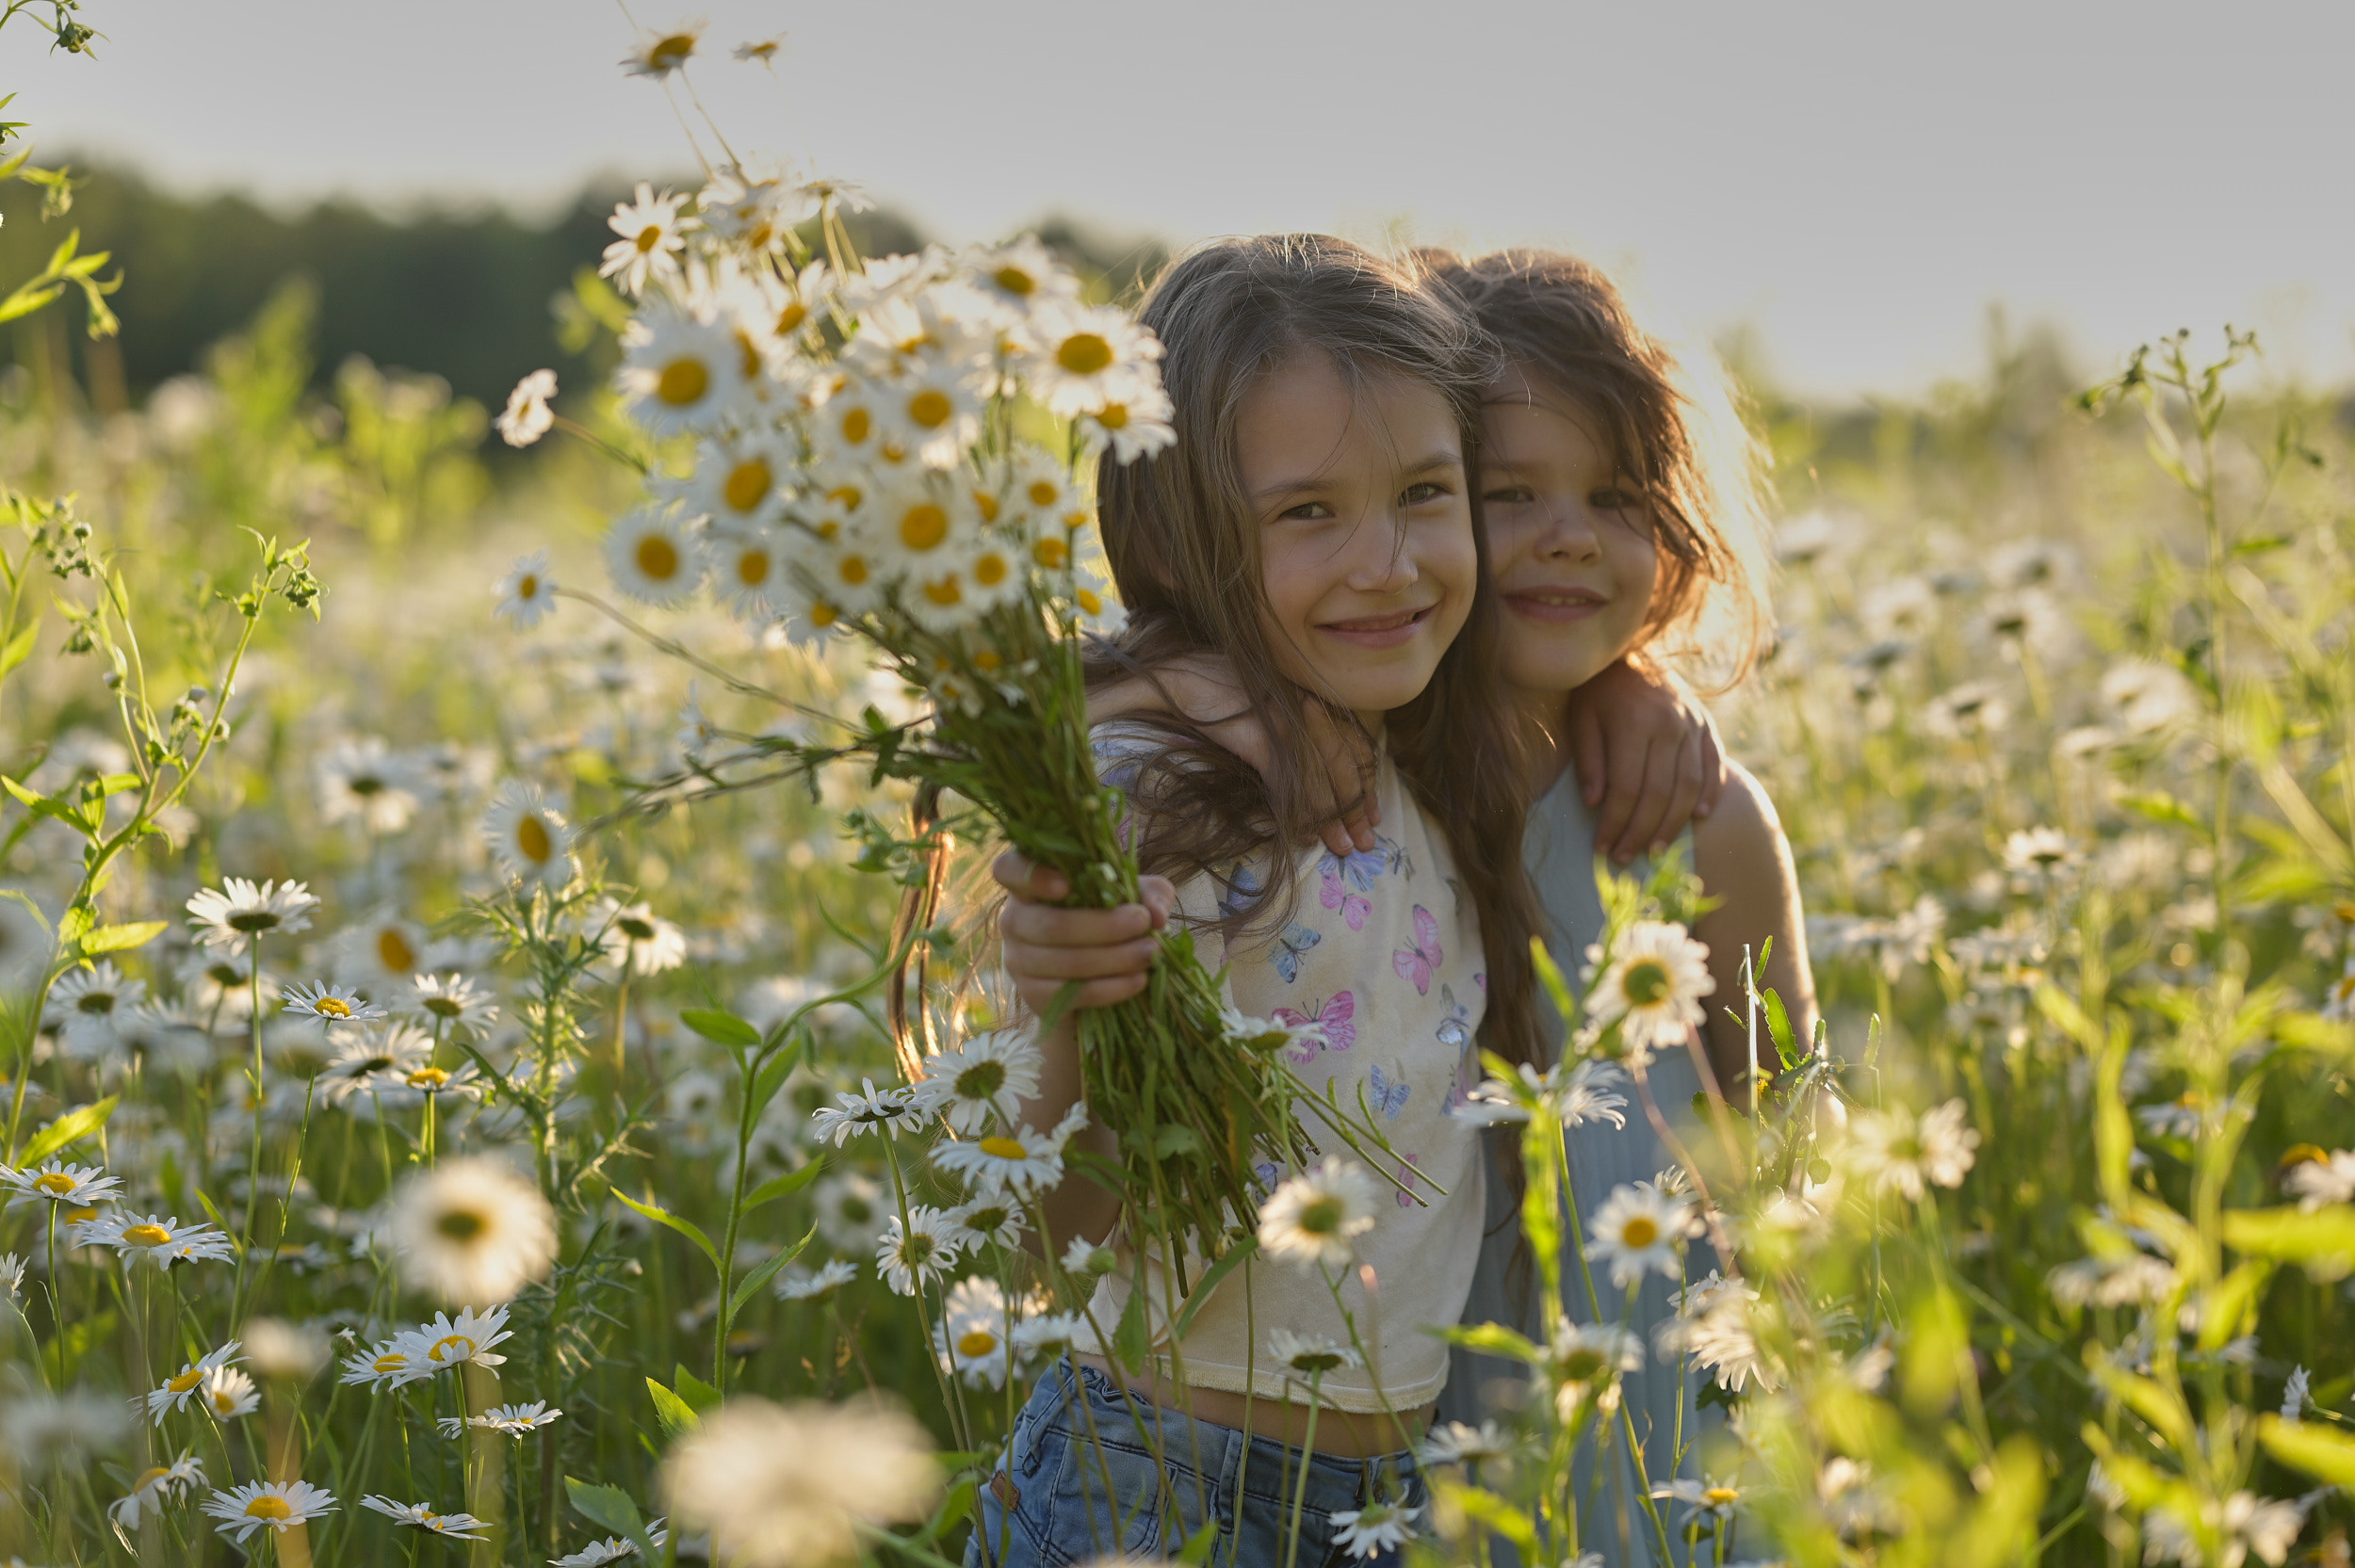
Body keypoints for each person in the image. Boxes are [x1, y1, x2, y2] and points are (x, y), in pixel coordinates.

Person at [995, 248, 1815, 1567]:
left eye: (1616, 496)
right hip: (1380, 1470)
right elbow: (1155, 678)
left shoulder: (1673, 807)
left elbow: (1788, 1145)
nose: (1560, 535)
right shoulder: (1350, 766)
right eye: (1505, 493)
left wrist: (1639, 683)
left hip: (1647, 1454)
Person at [966, 233, 1551, 1568]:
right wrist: (1063, 1007)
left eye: (1424, 491)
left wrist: (1652, 703)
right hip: (1158, 1480)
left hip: (1384, 1502)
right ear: (1184, 540)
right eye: (1306, 512)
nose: (1389, 561)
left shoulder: (1420, 755)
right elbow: (1052, 1232)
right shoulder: (1153, 797)